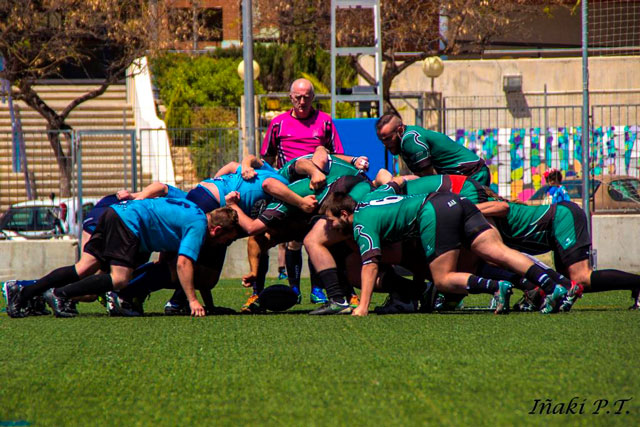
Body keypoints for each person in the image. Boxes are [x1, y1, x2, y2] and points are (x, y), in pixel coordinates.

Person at [320, 185, 570, 317]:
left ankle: (494, 287)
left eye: (330, 220)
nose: (329, 226)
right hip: (455, 200)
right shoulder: (371, 201)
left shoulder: (361, 222)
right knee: (498, 251)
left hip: (434, 209)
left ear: (344, 214)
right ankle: (552, 287)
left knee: (442, 278)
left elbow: (370, 263)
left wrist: (363, 307)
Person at [5, 199, 239, 318]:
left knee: (84, 267)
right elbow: (183, 263)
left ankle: (22, 295)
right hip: (128, 223)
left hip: (115, 212)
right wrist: (192, 301)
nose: (223, 245)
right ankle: (61, 294)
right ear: (217, 230)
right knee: (119, 279)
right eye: (226, 240)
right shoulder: (199, 225)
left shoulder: (195, 211)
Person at [260, 78, 354, 306]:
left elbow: (336, 153)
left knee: (317, 233)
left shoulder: (325, 121)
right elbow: (267, 158)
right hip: (291, 188)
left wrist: (354, 161)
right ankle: (293, 287)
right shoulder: (278, 123)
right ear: (290, 97)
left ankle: (317, 288)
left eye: (306, 97)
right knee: (293, 240)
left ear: (313, 98)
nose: (302, 101)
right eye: (297, 97)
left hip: (321, 188)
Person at [477, 198, 640, 311]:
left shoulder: (486, 210)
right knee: (571, 284)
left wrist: (471, 208)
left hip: (562, 217)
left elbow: (504, 207)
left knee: (582, 277)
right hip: (558, 225)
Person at [375, 114, 490, 186]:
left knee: (471, 216)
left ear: (400, 130)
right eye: (382, 141)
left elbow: (428, 179)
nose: (386, 145)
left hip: (473, 173)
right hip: (466, 174)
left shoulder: (410, 140)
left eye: (388, 139)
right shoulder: (402, 141)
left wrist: (398, 181)